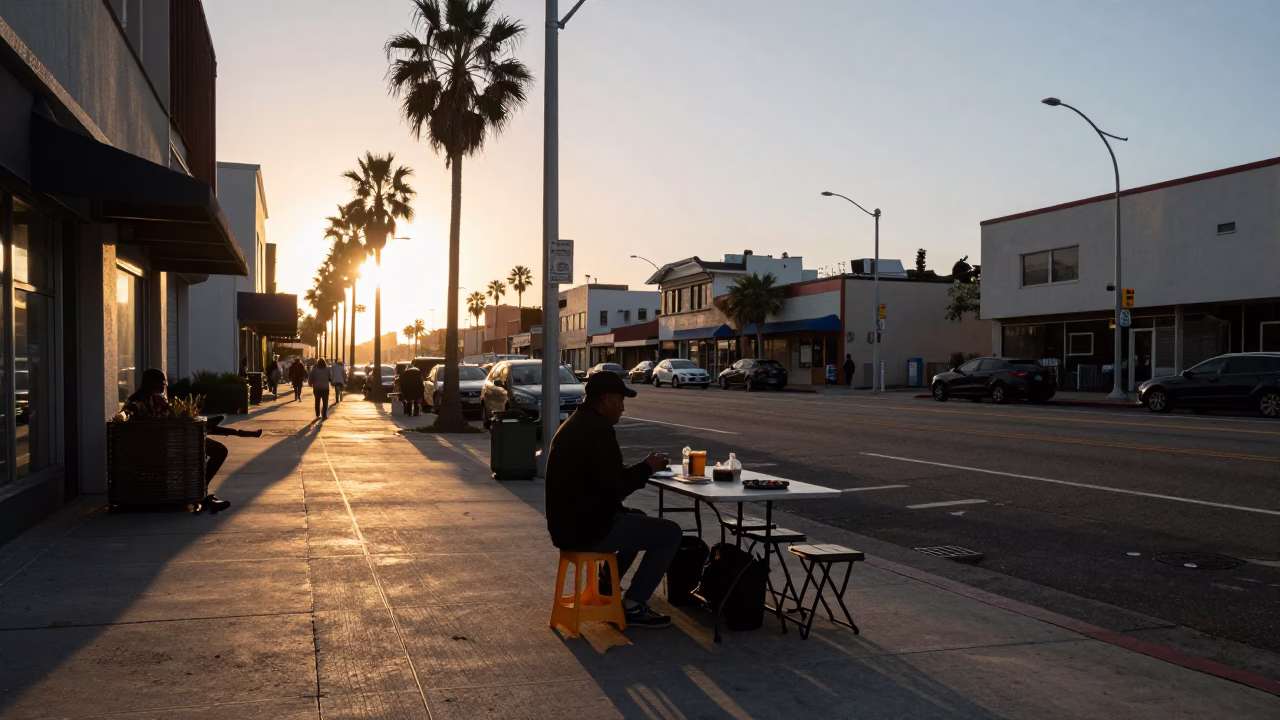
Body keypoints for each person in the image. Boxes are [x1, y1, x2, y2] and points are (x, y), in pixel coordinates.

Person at [544, 372, 678, 629]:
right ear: (606, 399)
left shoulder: (578, 422)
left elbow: (603, 478)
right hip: (586, 528)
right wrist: (647, 468)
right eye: (620, 400)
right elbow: (615, 488)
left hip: (570, 523)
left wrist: (639, 468)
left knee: (638, 517)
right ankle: (633, 604)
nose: (623, 407)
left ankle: (606, 591)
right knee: (670, 533)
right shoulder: (597, 430)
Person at [125, 369, 262, 513]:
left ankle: (200, 491)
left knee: (214, 445)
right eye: (161, 382)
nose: (164, 385)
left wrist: (184, 419)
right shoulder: (137, 402)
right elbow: (151, 425)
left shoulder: (155, 397)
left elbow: (171, 415)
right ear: (151, 382)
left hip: (172, 440)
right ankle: (200, 493)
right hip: (160, 446)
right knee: (207, 443)